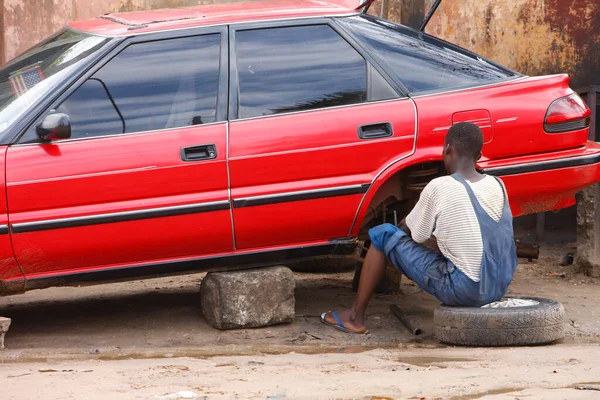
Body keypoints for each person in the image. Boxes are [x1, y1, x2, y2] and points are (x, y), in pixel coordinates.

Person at [321, 122, 518, 334]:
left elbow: (417, 234)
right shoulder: (498, 184)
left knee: (382, 234)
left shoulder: (440, 186)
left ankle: (355, 318)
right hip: (498, 286)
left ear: (447, 149)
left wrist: (395, 236)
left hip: (466, 290)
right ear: (479, 156)